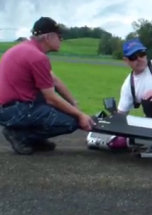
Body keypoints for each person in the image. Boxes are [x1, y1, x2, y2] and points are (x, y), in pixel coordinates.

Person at [0, 17, 94, 155]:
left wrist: (73, 103)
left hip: (9, 107)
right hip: (15, 110)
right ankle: (22, 136)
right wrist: (80, 115)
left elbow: (54, 81)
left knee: (65, 110)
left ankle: (31, 136)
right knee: (71, 122)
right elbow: (51, 98)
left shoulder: (26, 49)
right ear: (48, 37)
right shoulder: (37, 57)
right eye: (59, 36)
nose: (61, 40)